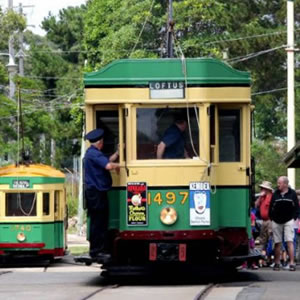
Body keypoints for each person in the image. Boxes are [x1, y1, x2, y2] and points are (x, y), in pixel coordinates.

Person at [84, 128, 120, 261]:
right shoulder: (94, 154)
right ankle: (97, 251)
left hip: (97, 192)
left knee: (100, 221)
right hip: (96, 193)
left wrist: (117, 152)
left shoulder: (94, 153)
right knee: (98, 222)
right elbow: (108, 166)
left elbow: (107, 161)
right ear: (100, 142)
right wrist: (119, 165)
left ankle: (98, 249)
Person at [269, 176, 299, 271]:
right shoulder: (275, 194)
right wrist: (272, 218)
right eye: (278, 183)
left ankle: (291, 263)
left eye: (279, 183)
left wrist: (294, 218)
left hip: (288, 220)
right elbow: (271, 207)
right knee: (277, 242)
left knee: (289, 241)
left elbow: (296, 208)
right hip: (276, 221)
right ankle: (277, 263)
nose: (278, 185)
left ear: (285, 184)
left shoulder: (292, 194)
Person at [255, 181, 273, 266]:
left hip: (270, 221)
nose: (261, 189)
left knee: (271, 239)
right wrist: (259, 198)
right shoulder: (262, 198)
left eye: (263, 188)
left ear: (267, 189)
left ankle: (271, 258)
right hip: (263, 221)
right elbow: (256, 205)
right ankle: (262, 259)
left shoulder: (271, 197)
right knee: (262, 240)